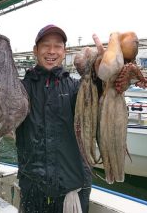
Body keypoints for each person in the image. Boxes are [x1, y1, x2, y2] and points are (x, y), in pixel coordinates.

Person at [16, 25, 93, 213]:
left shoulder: (77, 89)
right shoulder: (20, 90)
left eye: (57, 46)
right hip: (33, 190)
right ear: (36, 50)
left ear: (64, 51)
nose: (51, 51)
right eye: (45, 45)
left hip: (72, 190)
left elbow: (98, 95)